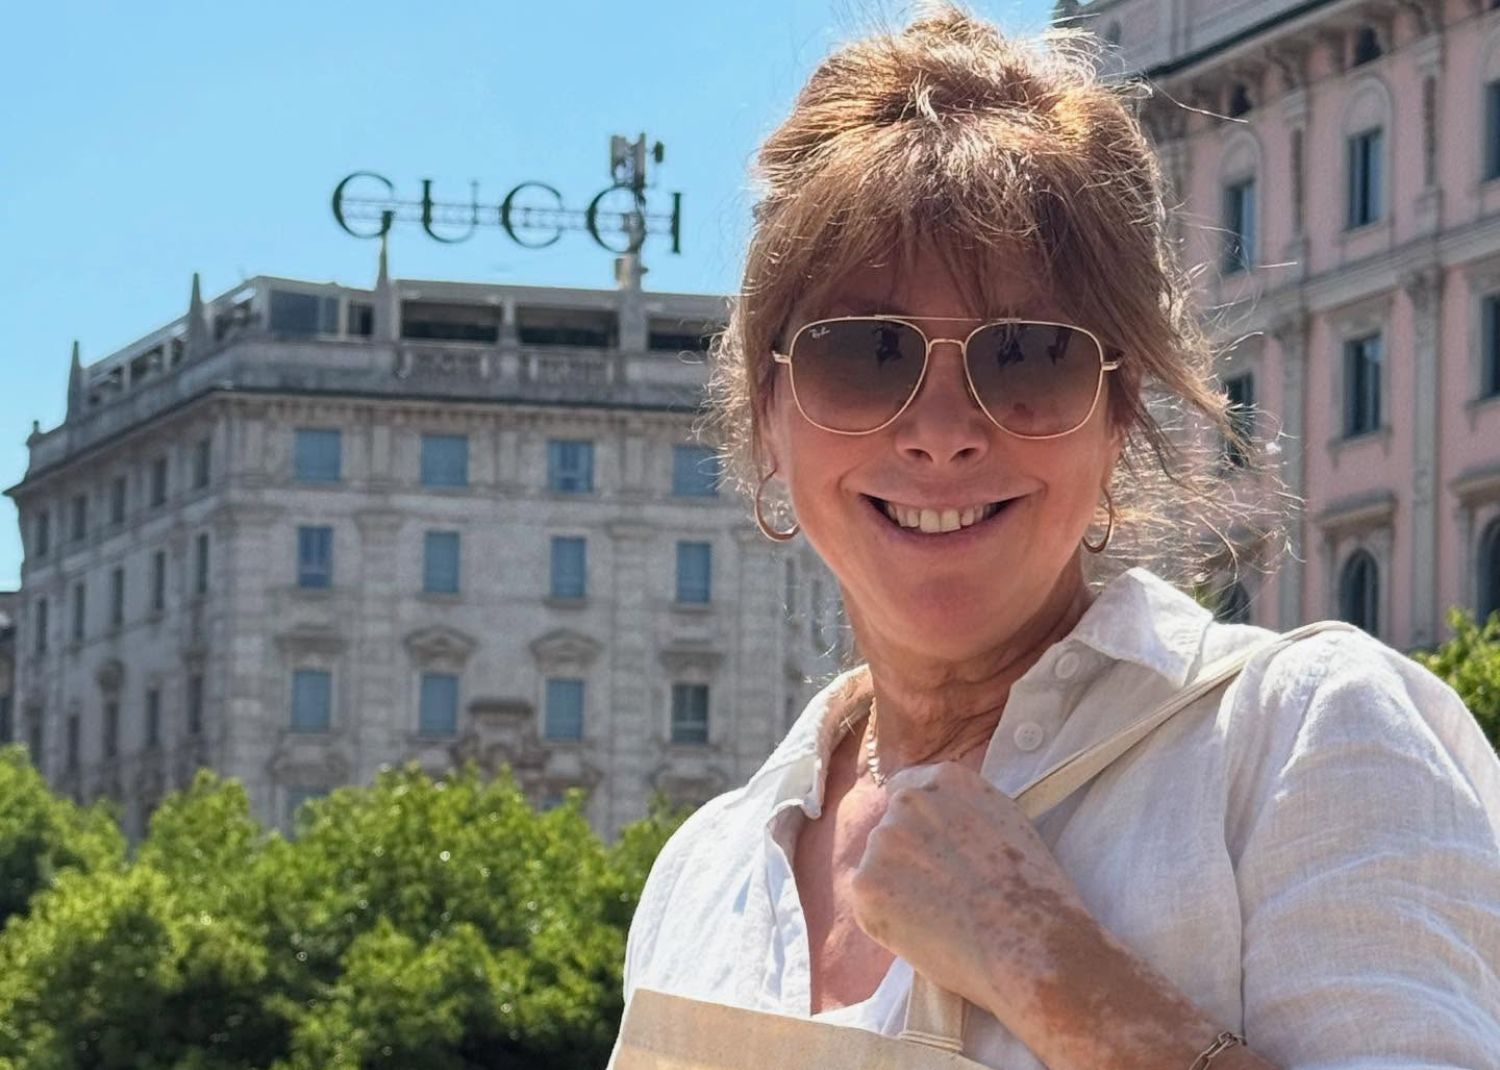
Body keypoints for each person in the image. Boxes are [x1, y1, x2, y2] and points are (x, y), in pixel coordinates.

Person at [613, 5, 1500, 1068]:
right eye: (866, 352)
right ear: (769, 414)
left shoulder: (1301, 738)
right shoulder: (706, 868)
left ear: (1119, 413)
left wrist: (1052, 969)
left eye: (1028, 354)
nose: (942, 432)